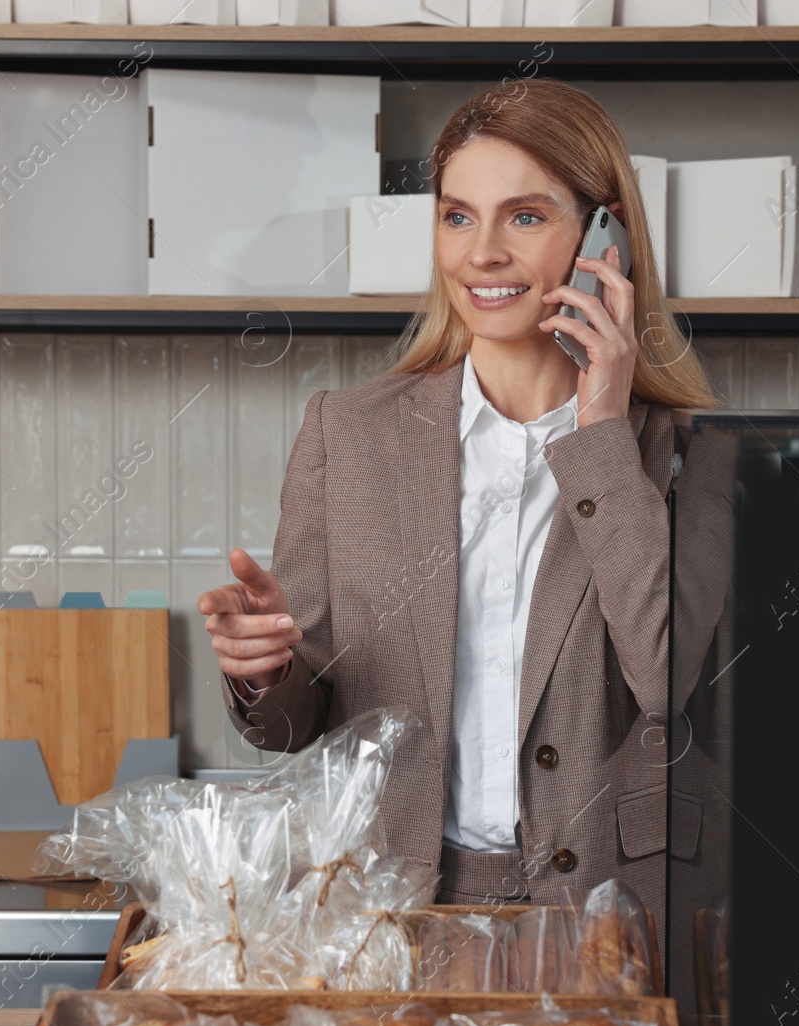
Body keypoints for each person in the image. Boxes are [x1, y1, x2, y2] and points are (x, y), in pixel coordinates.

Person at [196, 79, 716, 946]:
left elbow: (675, 688)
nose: (481, 254)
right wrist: (262, 670)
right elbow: (299, 723)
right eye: (457, 216)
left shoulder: (689, 455)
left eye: (524, 216)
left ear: (605, 235)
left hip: (613, 923)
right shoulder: (347, 435)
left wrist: (599, 437)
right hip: (391, 916)